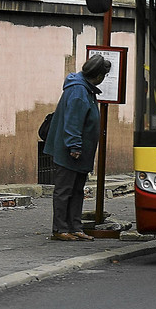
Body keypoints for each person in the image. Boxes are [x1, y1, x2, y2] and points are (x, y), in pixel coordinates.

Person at [43, 54, 111, 241]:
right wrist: (74, 146)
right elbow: (73, 121)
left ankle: (75, 226)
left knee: (77, 190)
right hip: (71, 151)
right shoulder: (78, 91)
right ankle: (60, 229)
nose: (104, 79)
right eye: (103, 75)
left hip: (80, 152)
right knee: (65, 190)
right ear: (98, 76)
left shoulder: (85, 89)